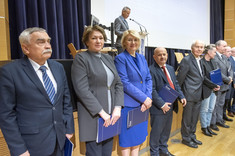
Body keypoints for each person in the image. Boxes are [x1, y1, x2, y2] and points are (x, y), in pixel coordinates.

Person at [0, 27, 74, 156]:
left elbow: (66, 100)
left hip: (61, 140)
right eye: (41, 42)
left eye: (48, 41)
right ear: (26, 48)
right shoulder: (10, 72)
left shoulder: (58, 68)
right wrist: (19, 149)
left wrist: (69, 128)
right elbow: (6, 114)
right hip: (31, 146)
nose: (47, 46)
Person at [71, 25, 124, 156]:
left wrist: (117, 107)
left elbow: (118, 84)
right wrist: (102, 113)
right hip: (94, 115)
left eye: (101, 38)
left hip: (111, 115)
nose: (98, 41)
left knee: (107, 153)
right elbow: (82, 90)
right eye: (94, 38)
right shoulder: (81, 58)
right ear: (87, 41)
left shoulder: (108, 58)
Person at [114, 30, 152, 156]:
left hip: (143, 106)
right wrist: (144, 98)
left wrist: (148, 98)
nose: (133, 42)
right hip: (129, 105)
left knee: (137, 141)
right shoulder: (120, 58)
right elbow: (124, 83)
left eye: (135, 40)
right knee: (127, 142)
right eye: (129, 40)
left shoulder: (142, 58)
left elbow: (148, 79)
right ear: (124, 42)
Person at [149, 47, 186, 156]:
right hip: (158, 107)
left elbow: (175, 85)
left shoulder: (170, 68)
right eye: (159, 55)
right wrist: (162, 104)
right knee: (156, 133)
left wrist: (182, 96)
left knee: (166, 131)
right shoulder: (150, 70)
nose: (162, 57)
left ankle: (163, 150)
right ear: (154, 57)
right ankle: (154, 153)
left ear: (167, 55)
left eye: (164, 54)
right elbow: (152, 90)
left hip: (170, 105)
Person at [177, 40, 205, 148]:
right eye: (197, 47)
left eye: (201, 47)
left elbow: (202, 77)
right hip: (189, 94)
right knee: (187, 119)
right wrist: (180, 95)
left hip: (199, 94)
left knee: (194, 118)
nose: (199, 49)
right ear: (192, 48)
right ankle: (186, 138)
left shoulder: (200, 60)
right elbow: (180, 79)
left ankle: (192, 136)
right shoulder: (187, 60)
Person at [210, 40, 233, 131]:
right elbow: (217, 71)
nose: (225, 48)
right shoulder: (214, 57)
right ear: (217, 47)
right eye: (224, 46)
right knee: (215, 105)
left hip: (225, 85)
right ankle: (213, 122)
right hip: (218, 84)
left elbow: (229, 69)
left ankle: (219, 120)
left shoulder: (224, 57)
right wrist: (228, 79)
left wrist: (230, 77)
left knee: (221, 104)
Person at [199, 44, 220, 137]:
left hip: (214, 89)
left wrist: (218, 85)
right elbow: (203, 77)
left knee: (211, 109)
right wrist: (213, 85)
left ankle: (208, 126)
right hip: (206, 89)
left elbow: (216, 74)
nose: (215, 54)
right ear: (209, 52)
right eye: (214, 52)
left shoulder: (213, 62)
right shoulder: (201, 62)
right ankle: (204, 127)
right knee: (204, 109)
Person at [223, 46, 233, 122]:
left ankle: (224, 115)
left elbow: (231, 71)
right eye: (228, 51)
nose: (230, 53)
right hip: (223, 83)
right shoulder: (222, 60)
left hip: (229, 82)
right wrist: (228, 79)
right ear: (224, 51)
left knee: (227, 100)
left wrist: (230, 78)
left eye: (230, 51)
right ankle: (221, 117)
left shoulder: (229, 60)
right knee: (222, 102)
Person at [228, 47, 235, 117]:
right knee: (229, 97)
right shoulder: (229, 59)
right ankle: (230, 110)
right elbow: (232, 72)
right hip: (232, 82)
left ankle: (233, 109)